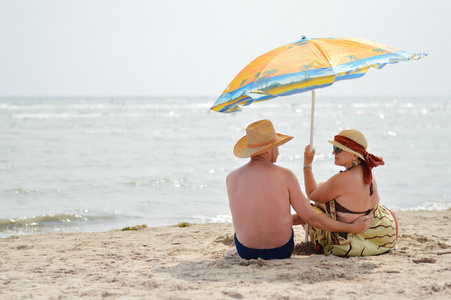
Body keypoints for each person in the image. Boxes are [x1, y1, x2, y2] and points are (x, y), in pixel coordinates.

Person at [227, 120, 373, 260]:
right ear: (269, 150)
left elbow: (250, 216)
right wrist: (351, 228)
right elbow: (311, 218)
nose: (278, 151)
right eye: (277, 147)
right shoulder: (285, 175)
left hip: (245, 251)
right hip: (281, 250)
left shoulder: (231, 178)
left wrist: (294, 218)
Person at [299, 129, 398, 257]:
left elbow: (311, 194)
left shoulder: (341, 180)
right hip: (382, 235)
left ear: (354, 154)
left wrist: (307, 165)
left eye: (338, 149)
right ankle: (291, 219)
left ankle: (289, 219)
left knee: (312, 208)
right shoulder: (369, 172)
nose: (333, 152)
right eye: (334, 147)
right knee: (324, 190)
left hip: (349, 243)